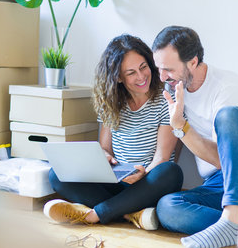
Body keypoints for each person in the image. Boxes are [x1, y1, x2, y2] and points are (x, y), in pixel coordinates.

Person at [44, 34, 184, 230]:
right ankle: (131, 214)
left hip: (149, 182)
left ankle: (95, 214)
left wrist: (141, 175)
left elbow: (162, 158)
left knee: (171, 172)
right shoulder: (111, 102)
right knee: (56, 175)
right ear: (118, 77)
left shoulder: (165, 98)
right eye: (131, 72)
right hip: (119, 182)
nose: (141, 76)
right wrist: (106, 159)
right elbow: (105, 148)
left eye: (143, 67)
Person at [152, 26, 238, 248]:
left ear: (192, 62)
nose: (162, 77)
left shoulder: (226, 87)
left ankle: (233, 218)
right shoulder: (173, 89)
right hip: (214, 185)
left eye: (168, 69)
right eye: (159, 69)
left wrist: (180, 126)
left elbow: (222, 160)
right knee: (167, 207)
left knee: (228, 115)